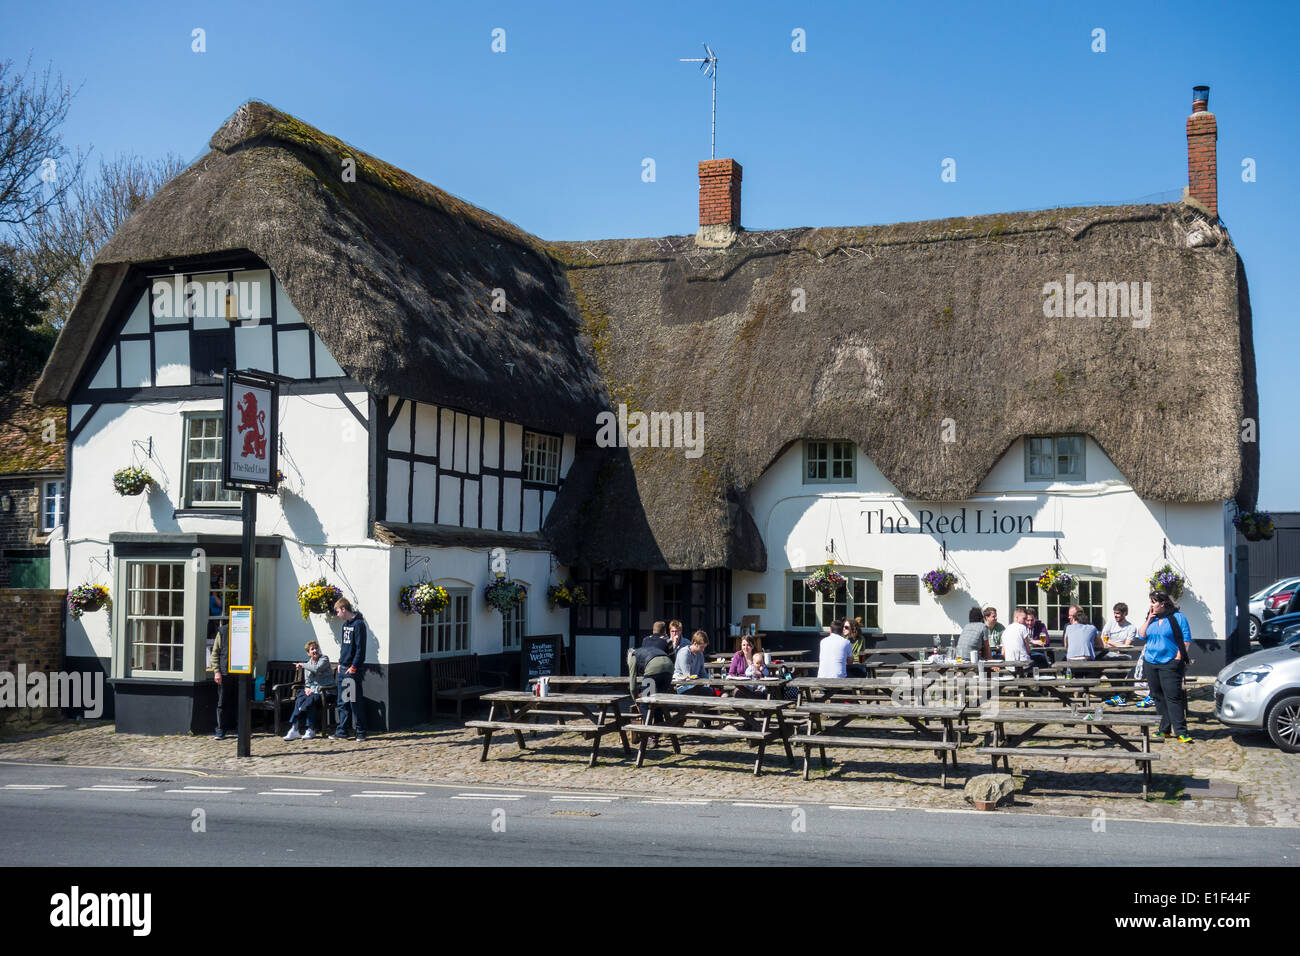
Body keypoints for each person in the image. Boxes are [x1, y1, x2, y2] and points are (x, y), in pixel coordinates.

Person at [1137, 591, 1193, 742]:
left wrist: (1178, 658)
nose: (1151, 605)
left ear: (1162, 603)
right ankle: (1164, 729)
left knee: (1173, 697)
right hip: (1151, 662)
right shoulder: (1152, 619)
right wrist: (1149, 619)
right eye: (1150, 602)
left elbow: (1186, 639)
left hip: (1170, 663)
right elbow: (1141, 635)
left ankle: (1181, 731)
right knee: (1157, 697)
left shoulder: (1178, 617)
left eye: (1153, 602)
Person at [332, 597, 368, 741]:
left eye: (337, 611)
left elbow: (360, 649)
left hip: (352, 670)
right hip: (344, 668)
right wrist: (341, 663)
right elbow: (344, 647)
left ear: (344, 609)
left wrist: (354, 666)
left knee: (354, 701)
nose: (337, 615)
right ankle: (342, 730)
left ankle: (360, 731)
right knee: (343, 702)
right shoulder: (345, 625)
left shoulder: (359, 625)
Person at [285, 640, 335, 740]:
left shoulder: (324, 659)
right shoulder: (307, 664)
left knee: (312, 698)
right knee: (301, 695)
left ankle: (311, 729)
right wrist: (307, 688)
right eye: (312, 649)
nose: (315, 651)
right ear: (308, 653)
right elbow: (307, 682)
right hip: (315, 692)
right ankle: (294, 729)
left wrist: (302, 665)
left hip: (327, 692)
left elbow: (317, 668)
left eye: (316, 648)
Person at [674, 630, 712, 695]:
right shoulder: (685, 653)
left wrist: (710, 682)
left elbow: (703, 673)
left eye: (704, 647)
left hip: (695, 684)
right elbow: (687, 676)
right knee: (707, 691)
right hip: (683, 686)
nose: (703, 650)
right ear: (695, 644)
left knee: (712, 690)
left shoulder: (700, 654)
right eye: (701, 647)